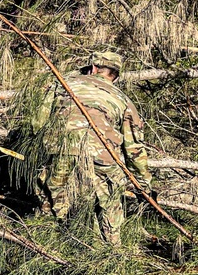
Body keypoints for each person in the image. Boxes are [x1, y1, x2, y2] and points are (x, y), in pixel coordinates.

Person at [38, 50, 152, 245]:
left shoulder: (63, 84)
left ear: (92, 68)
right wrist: (145, 184)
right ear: (115, 77)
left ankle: (47, 244)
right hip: (104, 158)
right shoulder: (124, 100)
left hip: (61, 151)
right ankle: (112, 251)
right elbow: (134, 149)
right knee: (109, 206)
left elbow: (37, 123)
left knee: (51, 200)